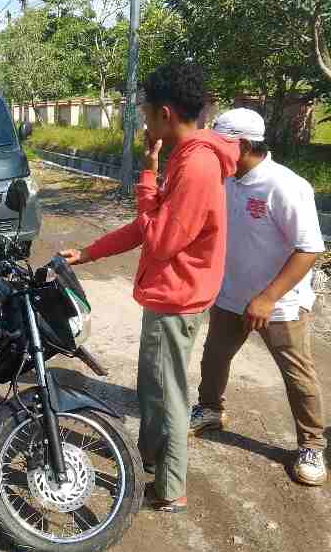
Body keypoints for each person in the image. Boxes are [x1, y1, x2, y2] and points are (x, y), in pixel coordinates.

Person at [59, 63, 240, 512]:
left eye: (144, 112)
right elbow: (151, 225)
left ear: (164, 113)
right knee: (155, 387)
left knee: (168, 394)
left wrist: (146, 175)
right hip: (173, 293)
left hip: (177, 298)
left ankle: (170, 488)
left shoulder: (196, 165)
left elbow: (158, 240)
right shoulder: (185, 157)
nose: (143, 121)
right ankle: (151, 458)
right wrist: (90, 252)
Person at [190, 108, 327, 486]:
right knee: (214, 358)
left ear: (244, 146)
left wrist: (267, 298)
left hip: (279, 304)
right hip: (231, 294)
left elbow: (309, 249)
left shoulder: (285, 186)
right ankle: (210, 409)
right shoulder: (227, 180)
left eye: (220, 146)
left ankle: (311, 443)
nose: (214, 154)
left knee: (297, 374)